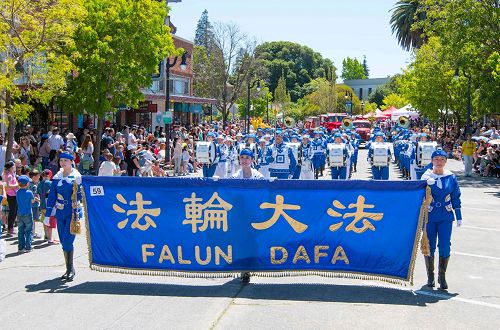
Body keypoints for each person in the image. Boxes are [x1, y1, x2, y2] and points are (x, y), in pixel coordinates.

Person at [421, 149, 462, 290]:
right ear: (432, 161)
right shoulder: (425, 177)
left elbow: (456, 196)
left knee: (445, 245)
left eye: (442, 159)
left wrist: (459, 215)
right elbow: (417, 196)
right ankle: (430, 276)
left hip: (445, 216)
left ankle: (442, 276)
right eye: (436, 159)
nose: (439, 162)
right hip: (429, 217)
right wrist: (424, 184)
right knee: (429, 245)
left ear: (445, 161)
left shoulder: (451, 177)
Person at [45, 152, 83, 281]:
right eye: (61, 160)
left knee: (67, 240)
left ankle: (70, 269)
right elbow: (52, 197)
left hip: (73, 213)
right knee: (63, 241)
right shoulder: (56, 177)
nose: (63, 162)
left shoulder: (76, 176)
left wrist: (78, 192)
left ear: (72, 161)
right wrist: (47, 214)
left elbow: (81, 195)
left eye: (66, 160)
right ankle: (69, 269)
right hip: (60, 212)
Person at [230, 148, 263, 284]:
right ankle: (244, 270)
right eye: (242, 157)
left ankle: (251, 264)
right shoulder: (234, 177)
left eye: (247, 158)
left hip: (253, 215)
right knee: (240, 241)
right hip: (239, 216)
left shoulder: (258, 176)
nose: (244, 160)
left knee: (252, 240)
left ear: (252, 160)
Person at [16, 175, 38, 252]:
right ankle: (28, 247)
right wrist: (35, 199)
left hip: (19, 213)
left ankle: (21, 247)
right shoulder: (29, 192)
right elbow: (32, 201)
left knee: (20, 230)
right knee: (28, 230)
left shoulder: (18, 192)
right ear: (27, 184)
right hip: (28, 213)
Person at [3, 161, 19, 237]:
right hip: (11, 195)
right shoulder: (9, 175)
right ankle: (10, 229)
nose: (15, 167)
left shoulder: (12, 174)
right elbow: (9, 185)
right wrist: (17, 185)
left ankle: (11, 228)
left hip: (14, 195)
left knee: (14, 211)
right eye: (14, 166)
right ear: (11, 167)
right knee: (12, 212)